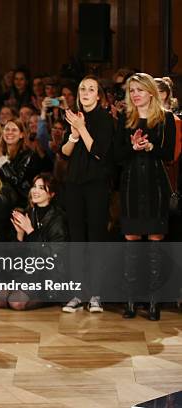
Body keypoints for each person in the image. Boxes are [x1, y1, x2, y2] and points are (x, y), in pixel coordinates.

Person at [116, 73, 176, 321]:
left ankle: (153, 302)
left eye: (140, 90)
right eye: (132, 91)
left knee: (154, 242)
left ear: (151, 92)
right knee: (131, 240)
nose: (136, 94)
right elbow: (117, 155)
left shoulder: (166, 117)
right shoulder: (125, 118)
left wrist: (151, 147)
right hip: (131, 184)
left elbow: (170, 152)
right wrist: (131, 147)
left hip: (155, 184)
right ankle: (131, 300)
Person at [60, 76, 114, 314]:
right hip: (73, 183)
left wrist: (82, 129)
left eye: (91, 89)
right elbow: (64, 152)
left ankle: (96, 294)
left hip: (96, 185)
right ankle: (77, 293)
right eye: (82, 88)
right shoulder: (74, 116)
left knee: (95, 238)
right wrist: (73, 133)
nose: (85, 92)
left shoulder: (105, 120)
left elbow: (99, 153)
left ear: (98, 95)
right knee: (76, 239)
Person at [0, 173, 68, 310]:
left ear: (51, 194)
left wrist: (30, 231)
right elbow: (19, 258)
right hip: (28, 274)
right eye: (34, 186)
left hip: (49, 275)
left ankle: (53, 298)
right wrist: (20, 236)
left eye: (41, 188)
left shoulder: (58, 218)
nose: (35, 190)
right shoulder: (29, 213)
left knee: (16, 302)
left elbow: (52, 256)